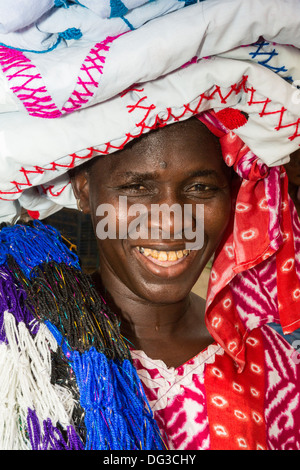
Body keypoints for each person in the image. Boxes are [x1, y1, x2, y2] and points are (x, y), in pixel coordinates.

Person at [0, 0, 300, 452]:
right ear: (84, 191)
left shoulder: (278, 364)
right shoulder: (23, 352)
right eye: (136, 188)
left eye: (200, 189)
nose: (169, 219)